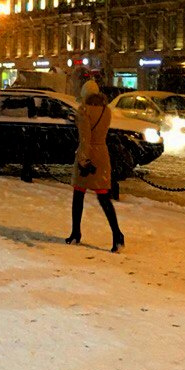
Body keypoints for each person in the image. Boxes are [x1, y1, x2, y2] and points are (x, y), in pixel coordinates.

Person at [65, 80, 124, 253]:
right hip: (102, 155)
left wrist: (83, 160)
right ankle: (117, 235)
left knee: (78, 195)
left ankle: (76, 233)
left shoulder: (83, 111)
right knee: (104, 198)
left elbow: (85, 140)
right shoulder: (106, 111)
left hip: (88, 155)